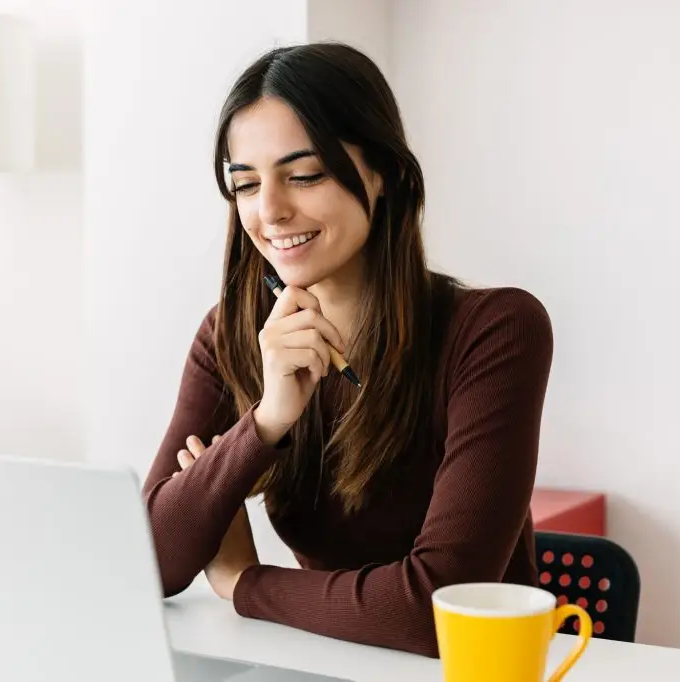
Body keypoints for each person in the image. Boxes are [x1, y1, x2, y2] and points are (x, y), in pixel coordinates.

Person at [140, 42, 553, 658]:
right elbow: (147, 564)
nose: (271, 211)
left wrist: (243, 583)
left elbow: (436, 610)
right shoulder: (231, 334)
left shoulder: (495, 330)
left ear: (382, 172)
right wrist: (265, 421)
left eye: (304, 175)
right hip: (328, 665)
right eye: (245, 184)